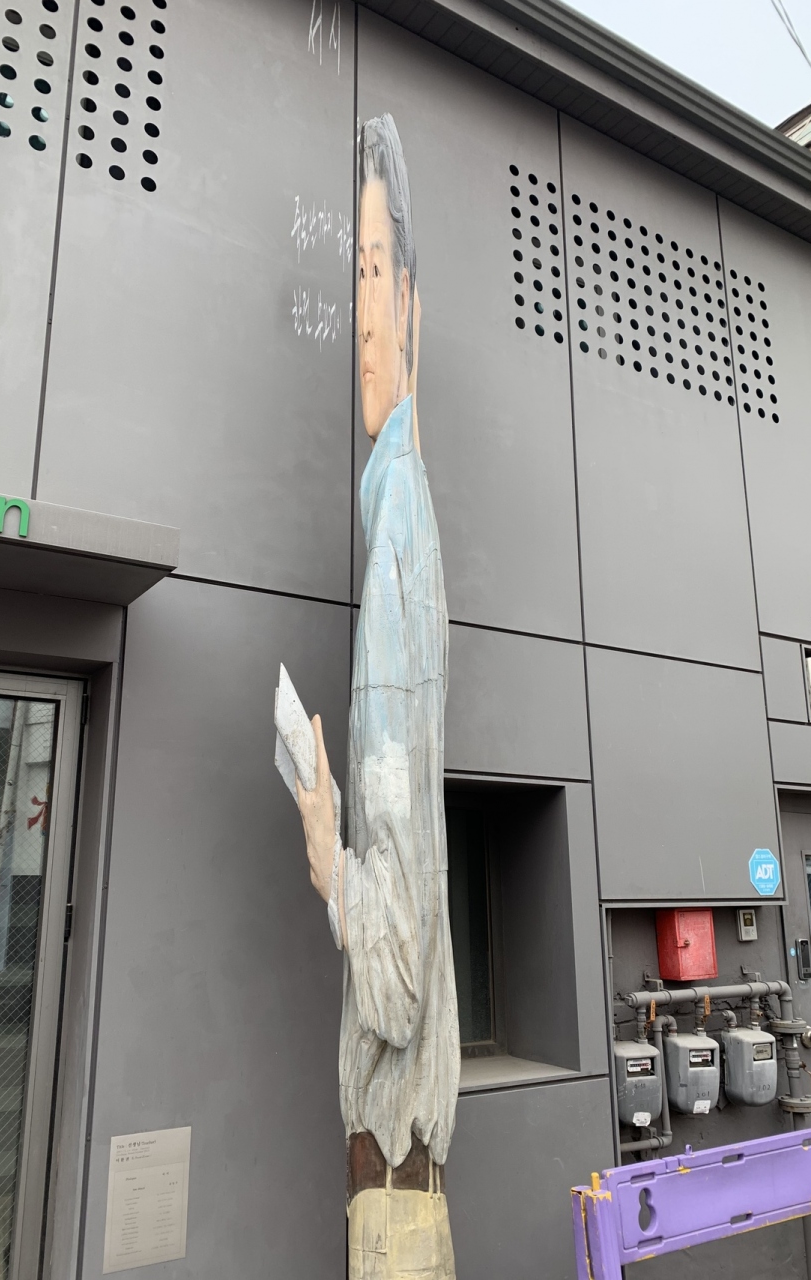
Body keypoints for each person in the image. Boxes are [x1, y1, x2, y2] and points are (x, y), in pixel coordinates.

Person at [295, 113, 459, 1280]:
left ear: (410, 307)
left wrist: (326, 850)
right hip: (393, 1161)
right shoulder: (391, 501)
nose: (360, 326)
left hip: (395, 1165)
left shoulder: (400, 525)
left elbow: (393, 987)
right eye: (352, 281)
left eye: (373, 280)